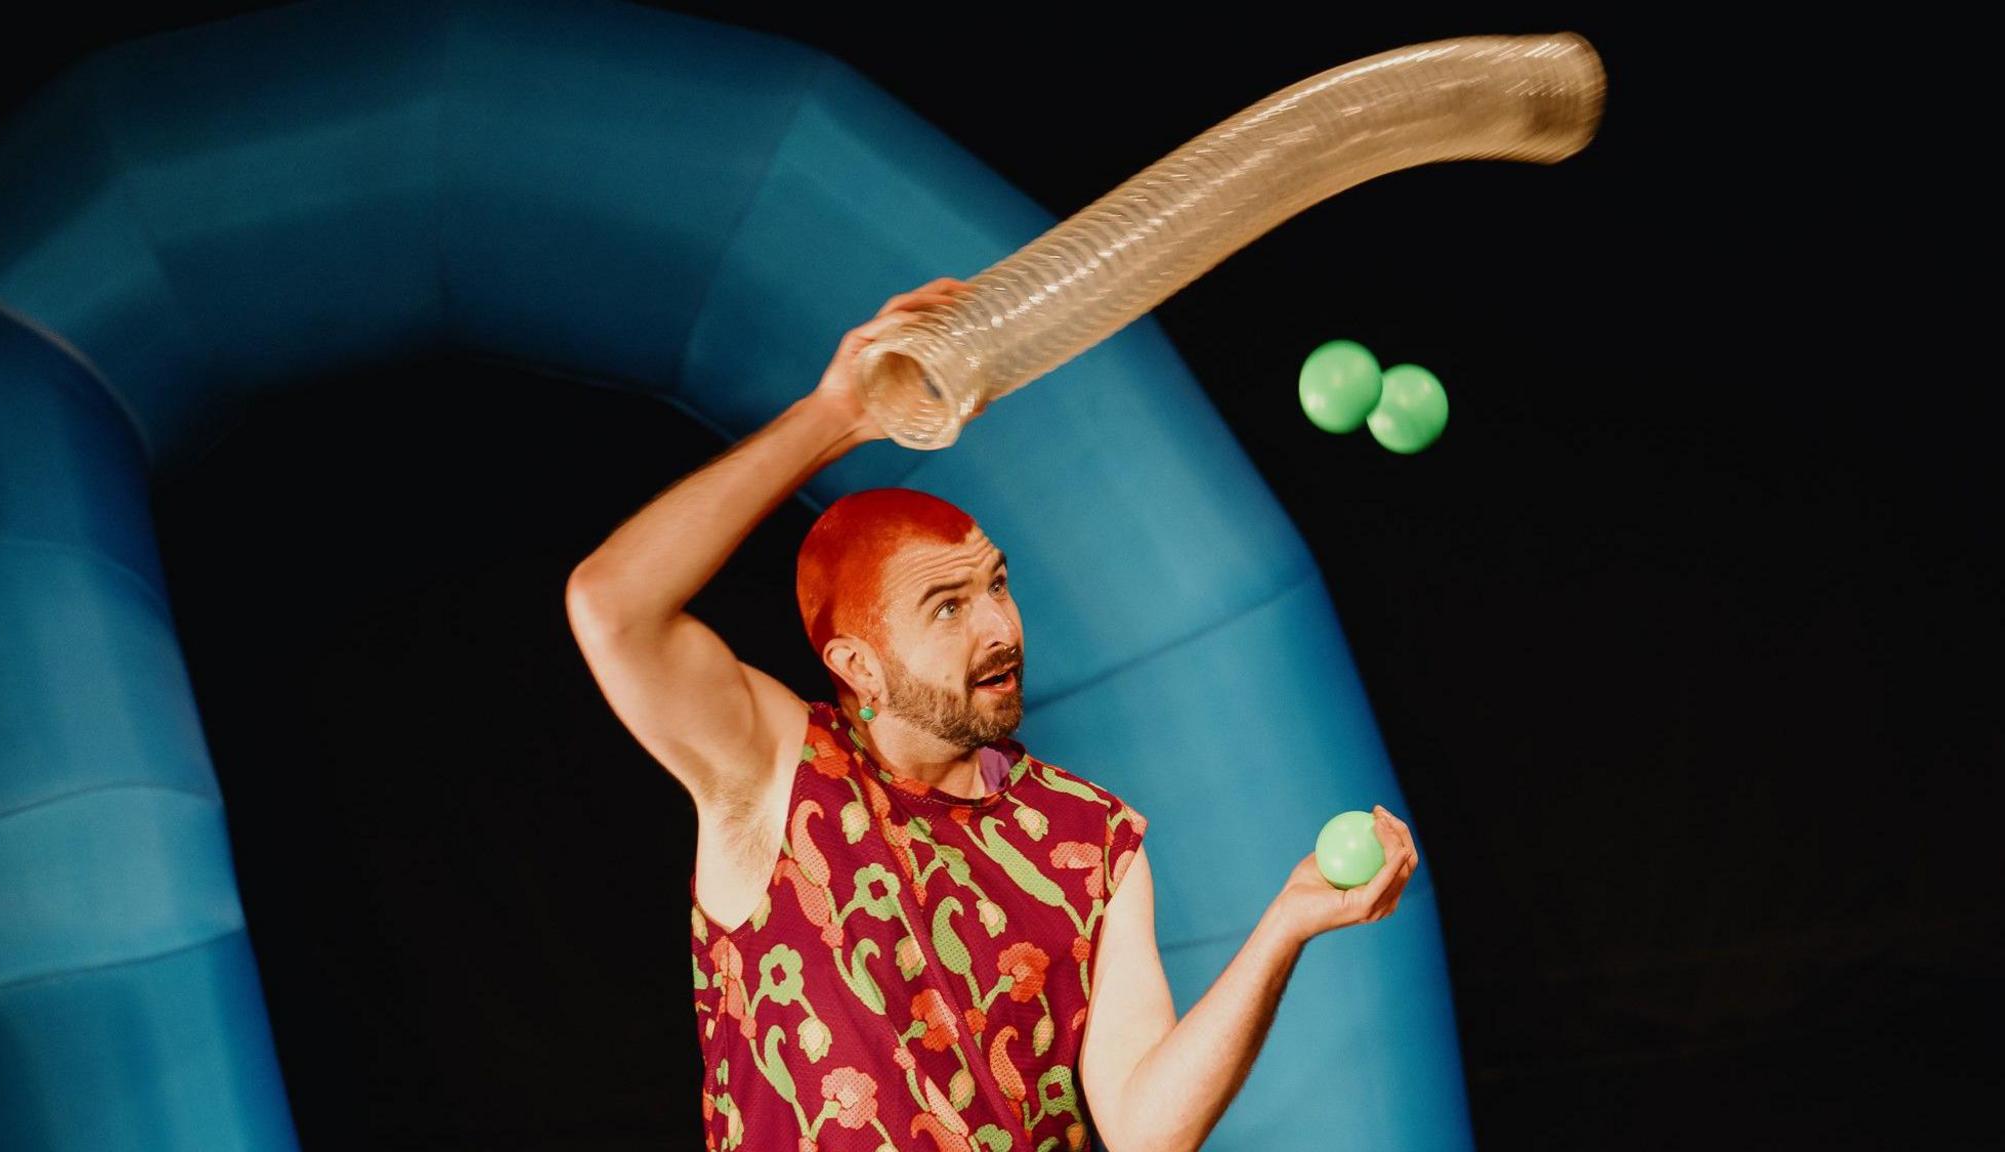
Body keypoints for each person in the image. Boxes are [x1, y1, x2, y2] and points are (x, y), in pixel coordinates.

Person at [565, 278, 1419, 1152]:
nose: (1000, 629)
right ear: (857, 665)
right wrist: (836, 415)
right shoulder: (775, 771)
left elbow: (1147, 1130)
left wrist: (1285, 925)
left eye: (997, 585)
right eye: (948, 607)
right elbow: (612, 604)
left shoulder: (1093, 841)